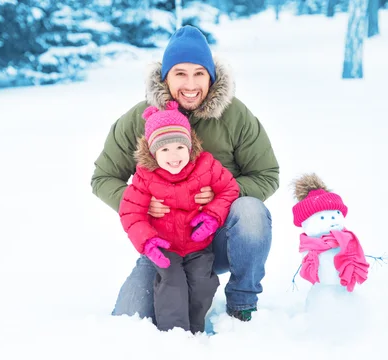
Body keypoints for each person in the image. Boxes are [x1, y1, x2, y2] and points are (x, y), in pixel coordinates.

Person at [91, 25, 279, 322]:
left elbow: (266, 173)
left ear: (211, 77)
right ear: (165, 76)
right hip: (165, 243)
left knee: (252, 211)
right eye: (180, 73)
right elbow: (103, 178)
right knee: (129, 316)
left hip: (218, 237)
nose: (190, 84)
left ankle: (242, 301)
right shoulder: (137, 119)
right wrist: (139, 202)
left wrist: (221, 198)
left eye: (199, 73)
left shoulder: (234, 115)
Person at [119, 101, 240, 333]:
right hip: (165, 247)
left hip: (198, 245)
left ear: (190, 146)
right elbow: (130, 212)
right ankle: (176, 335)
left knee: (202, 283)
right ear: (153, 152)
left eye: (179, 148)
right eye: (164, 150)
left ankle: (195, 331)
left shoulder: (206, 166)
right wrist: (148, 241)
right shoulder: (145, 176)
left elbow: (229, 190)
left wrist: (212, 216)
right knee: (172, 285)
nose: (173, 156)